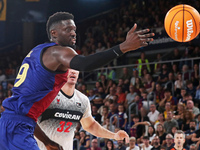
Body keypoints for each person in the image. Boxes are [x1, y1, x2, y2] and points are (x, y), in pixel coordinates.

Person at [0, 11, 154, 149]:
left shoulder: (37, 51)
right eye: (68, 30)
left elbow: (28, 114)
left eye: (74, 30)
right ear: (54, 33)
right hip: (19, 127)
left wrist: (47, 142)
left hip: (10, 122)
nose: (73, 33)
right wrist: (123, 47)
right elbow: (85, 63)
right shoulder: (59, 51)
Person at [34, 69, 129, 150]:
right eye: (69, 68)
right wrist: (47, 142)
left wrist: (114, 135)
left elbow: (90, 125)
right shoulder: (46, 94)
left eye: (76, 68)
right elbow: (27, 120)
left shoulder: (82, 100)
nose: (73, 72)